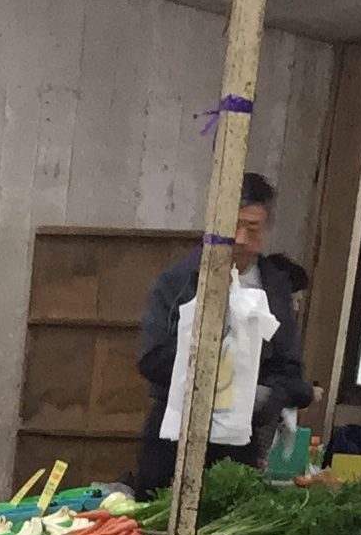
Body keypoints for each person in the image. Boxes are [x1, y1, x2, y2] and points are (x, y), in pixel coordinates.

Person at [132, 172, 309, 496]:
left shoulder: (275, 287)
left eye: (252, 229)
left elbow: (290, 369)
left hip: (241, 441)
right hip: (174, 435)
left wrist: (264, 396)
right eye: (233, 225)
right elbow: (151, 358)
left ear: (266, 230)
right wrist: (218, 370)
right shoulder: (180, 280)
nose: (240, 238)